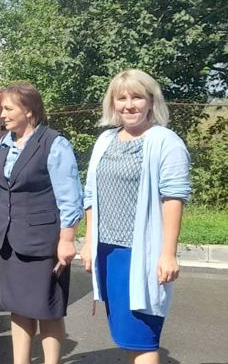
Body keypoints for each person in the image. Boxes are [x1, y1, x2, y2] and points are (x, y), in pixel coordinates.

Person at [80, 69, 191, 364]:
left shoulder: (166, 142)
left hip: (141, 254)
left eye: (137, 97)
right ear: (112, 103)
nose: (129, 105)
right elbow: (91, 194)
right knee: (126, 337)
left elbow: (173, 198)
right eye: (122, 98)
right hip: (108, 252)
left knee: (143, 339)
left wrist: (168, 254)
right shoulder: (105, 140)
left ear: (151, 101)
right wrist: (89, 241)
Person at [0, 83, 83, 364]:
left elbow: (70, 199)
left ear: (29, 111)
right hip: (10, 241)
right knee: (18, 308)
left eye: (8, 109)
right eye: (2, 109)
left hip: (43, 242)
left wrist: (67, 241)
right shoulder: (5, 143)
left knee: (47, 309)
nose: (2, 115)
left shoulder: (55, 144)